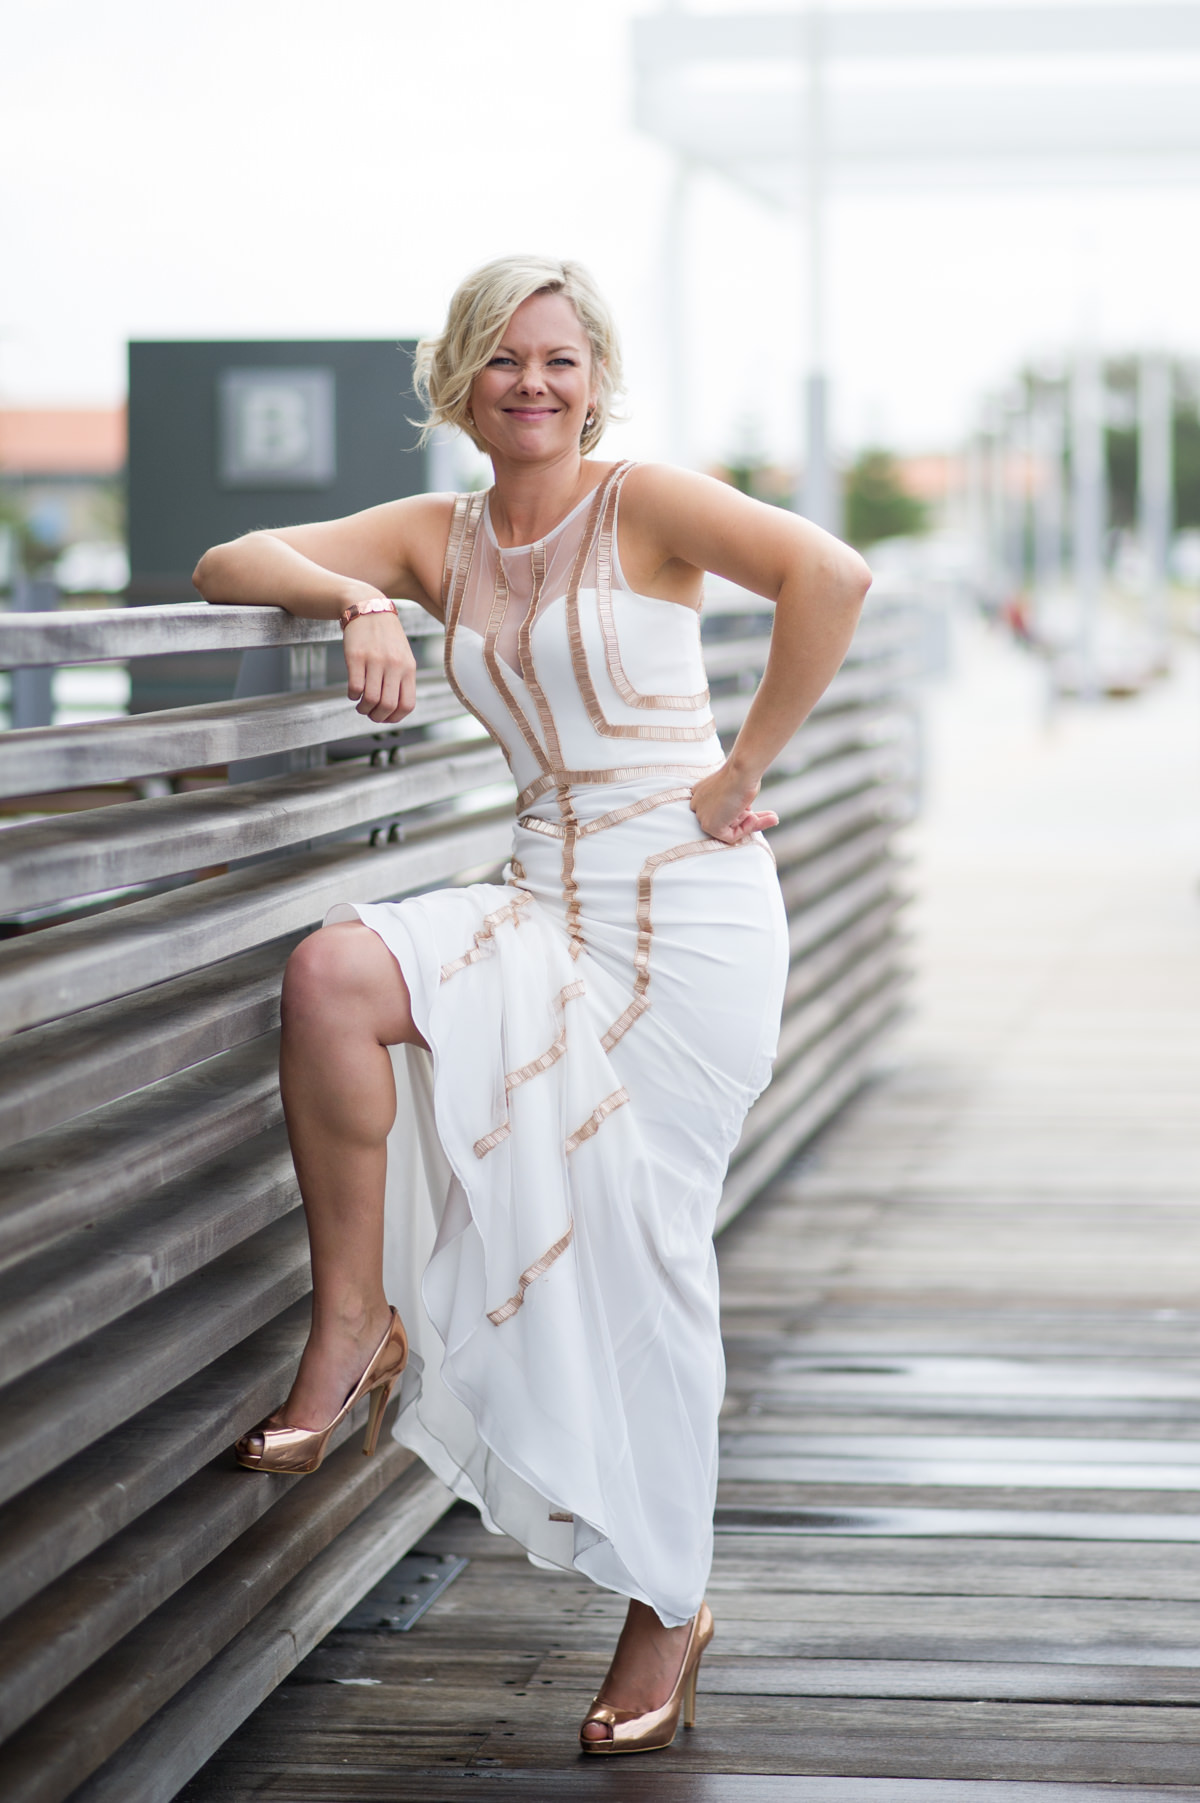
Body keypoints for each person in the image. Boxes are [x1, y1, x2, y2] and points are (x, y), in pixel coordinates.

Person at [194, 254, 870, 1755]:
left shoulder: (648, 503)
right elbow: (230, 558)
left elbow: (834, 575)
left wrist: (746, 764)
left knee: (646, 1248)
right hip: (541, 896)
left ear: (594, 376)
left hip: (690, 906)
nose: (535, 384)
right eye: (506, 359)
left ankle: (667, 1601)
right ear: (462, 380)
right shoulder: (440, 537)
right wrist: (359, 593)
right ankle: (357, 1318)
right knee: (335, 973)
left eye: (560, 360)